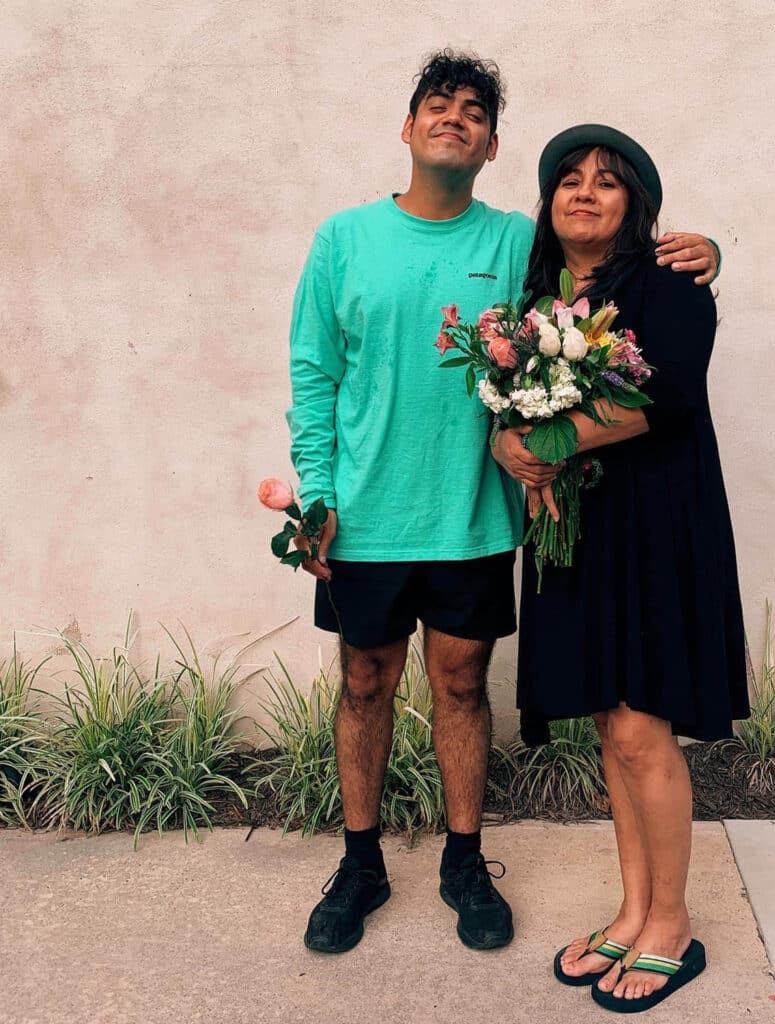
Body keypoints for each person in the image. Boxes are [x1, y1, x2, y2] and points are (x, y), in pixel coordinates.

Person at [286, 53, 720, 956]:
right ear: (408, 127)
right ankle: (360, 864)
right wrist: (316, 495)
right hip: (361, 518)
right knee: (363, 685)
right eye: (438, 105)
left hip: (475, 519)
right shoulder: (342, 239)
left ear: (491, 147)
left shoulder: (518, 243)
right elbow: (314, 373)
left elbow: (614, 275)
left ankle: (465, 862)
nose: (455, 117)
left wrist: (706, 251)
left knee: (461, 686)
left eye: (475, 112)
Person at [491, 125, 749, 1012]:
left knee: (642, 729)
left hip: (655, 525)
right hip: (581, 528)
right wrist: (508, 439)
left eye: (607, 180)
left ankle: (671, 923)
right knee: (610, 723)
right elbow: (516, 405)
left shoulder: (668, 281)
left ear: (636, 202)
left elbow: (665, 397)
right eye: (569, 179)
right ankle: (633, 909)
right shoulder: (540, 299)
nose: (585, 192)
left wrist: (546, 441)